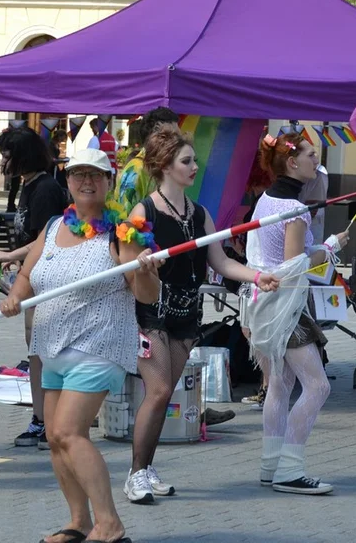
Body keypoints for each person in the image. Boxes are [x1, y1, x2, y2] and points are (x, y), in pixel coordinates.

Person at [0, 148, 158, 543]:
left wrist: (146, 271)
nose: (86, 182)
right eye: (78, 175)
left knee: (70, 432)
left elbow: (146, 295)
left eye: (96, 175)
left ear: (108, 181)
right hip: (51, 343)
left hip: (99, 343)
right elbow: (28, 274)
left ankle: (110, 525)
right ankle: (79, 522)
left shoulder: (123, 231)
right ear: (66, 180)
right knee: (54, 438)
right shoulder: (53, 226)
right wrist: (14, 296)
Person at [122, 125, 278, 503]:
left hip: (187, 314)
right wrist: (138, 261)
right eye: (186, 161)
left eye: (194, 160)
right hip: (152, 313)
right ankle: (136, 475)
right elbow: (127, 266)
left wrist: (258, 275)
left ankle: (143, 468)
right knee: (158, 391)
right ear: (164, 165)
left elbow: (221, 261)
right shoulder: (143, 211)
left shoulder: (200, 214)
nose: (194, 167)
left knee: (163, 395)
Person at [244, 133, 344, 494]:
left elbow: (276, 257)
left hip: (261, 303)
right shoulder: (294, 209)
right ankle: (290, 469)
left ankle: (272, 465)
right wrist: (330, 247)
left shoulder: (266, 200)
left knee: (282, 385)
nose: (315, 160)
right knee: (318, 386)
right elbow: (293, 266)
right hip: (283, 307)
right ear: (291, 162)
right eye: (310, 155)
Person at [0, 126, 69, 449]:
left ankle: (46, 419)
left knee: (43, 351)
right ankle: (42, 417)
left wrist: (12, 254)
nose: (2, 164)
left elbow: (47, 237)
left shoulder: (46, 189)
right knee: (36, 350)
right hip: (30, 275)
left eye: (7, 157)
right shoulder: (31, 186)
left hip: (45, 279)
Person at [114, 107, 180, 214]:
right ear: (154, 137)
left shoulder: (162, 167)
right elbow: (124, 222)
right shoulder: (136, 170)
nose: (177, 142)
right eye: (172, 136)